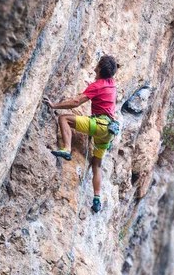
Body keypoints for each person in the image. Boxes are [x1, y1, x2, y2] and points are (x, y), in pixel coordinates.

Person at [43, 55, 118, 213]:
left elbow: (76, 102)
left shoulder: (97, 86)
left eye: (96, 66)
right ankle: (96, 199)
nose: (94, 68)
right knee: (96, 164)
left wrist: (54, 105)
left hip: (99, 125)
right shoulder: (111, 82)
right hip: (109, 132)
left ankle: (67, 149)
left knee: (64, 118)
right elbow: (112, 68)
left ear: (100, 69)